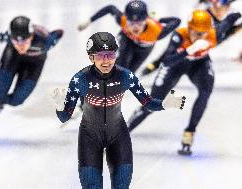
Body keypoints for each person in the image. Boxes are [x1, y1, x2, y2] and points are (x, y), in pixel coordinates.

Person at [53, 32, 185, 189]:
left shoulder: (125, 76)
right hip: (89, 138)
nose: (106, 61)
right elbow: (64, 117)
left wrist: (165, 104)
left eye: (110, 55)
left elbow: (148, 103)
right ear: (91, 57)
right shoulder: (80, 79)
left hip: (118, 136)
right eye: (101, 56)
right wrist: (60, 105)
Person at [127, 10, 241, 155]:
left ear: (208, 31)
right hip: (176, 64)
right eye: (195, 32)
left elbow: (231, 18)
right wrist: (189, 50)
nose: (198, 37)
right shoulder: (179, 36)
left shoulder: (215, 33)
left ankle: (189, 132)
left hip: (199, 64)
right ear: (189, 28)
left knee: (206, 90)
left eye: (202, 33)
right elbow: (167, 61)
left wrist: (238, 13)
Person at [0, 16, 63, 143]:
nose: (20, 46)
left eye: (24, 42)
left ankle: (0, 103)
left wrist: (49, 36)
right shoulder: (9, 36)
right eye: (16, 42)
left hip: (34, 64)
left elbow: (59, 31)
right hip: (12, 57)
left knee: (17, 100)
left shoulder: (45, 41)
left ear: (31, 36)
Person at [141, 0, 242, 77]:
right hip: (203, 27)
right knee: (171, 53)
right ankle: (154, 65)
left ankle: (154, 65)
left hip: (213, 31)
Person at [78, 0, 180, 73]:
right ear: (126, 19)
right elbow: (110, 8)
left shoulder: (157, 32)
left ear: (146, 20)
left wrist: (160, 19)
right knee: (117, 66)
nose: (135, 28)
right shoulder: (122, 19)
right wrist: (89, 21)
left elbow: (177, 21)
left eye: (139, 23)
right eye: (131, 23)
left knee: (128, 74)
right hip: (127, 40)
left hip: (144, 49)